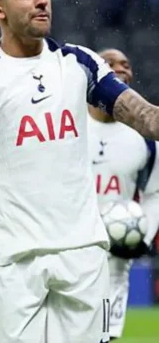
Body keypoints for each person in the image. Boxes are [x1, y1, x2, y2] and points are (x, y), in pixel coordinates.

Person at [0, 0, 159, 341]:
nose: (42, 0)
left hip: (82, 247)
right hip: (12, 251)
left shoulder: (79, 62)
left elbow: (145, 117)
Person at [87, 48, 159, 340]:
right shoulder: (69, 127)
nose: (120, 69)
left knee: (106, 337)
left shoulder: (147, 139)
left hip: (116, 259)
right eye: (110, 63)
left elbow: (155, 192)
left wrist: (141, 237)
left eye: (126, 65)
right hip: (68, 250)